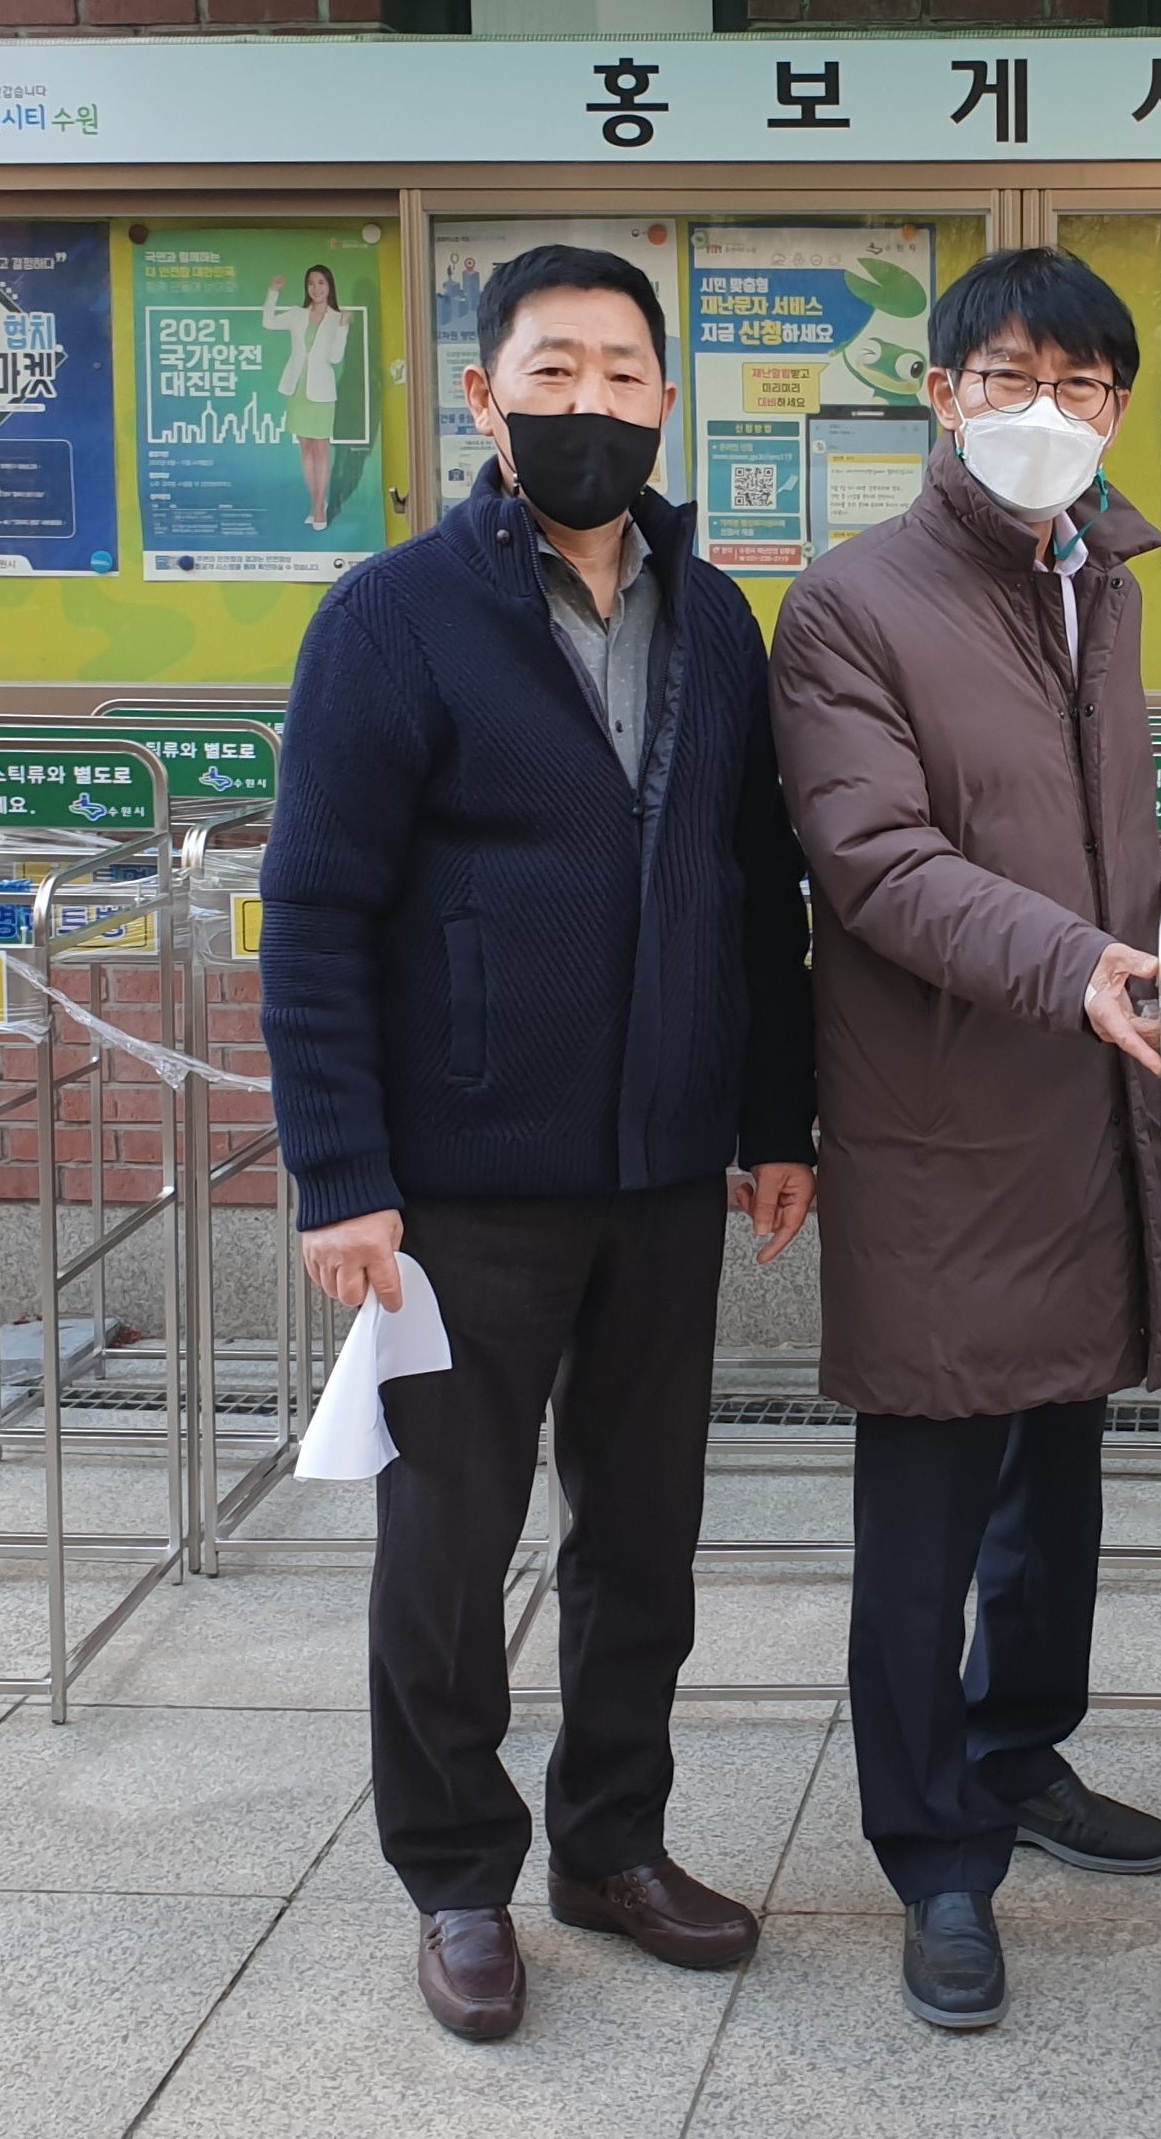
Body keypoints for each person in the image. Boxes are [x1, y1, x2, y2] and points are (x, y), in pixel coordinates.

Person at [262, 243, 819, 2044]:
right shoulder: (392, 615)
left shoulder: (716, 616)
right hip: (460, 1186)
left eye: (621, 375)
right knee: (446, 1547)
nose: (590, 405)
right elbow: (321, 908)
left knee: (641, 1536)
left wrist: (771, 1120)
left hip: (659, 1172)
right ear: (486, 395)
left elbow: (757, 894)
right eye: (552, 369)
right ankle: (453, 1872)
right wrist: (340, 1171)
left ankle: (611, 1842)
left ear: (667, 403)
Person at [768, 245, 1161, 2035]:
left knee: (1059, 1485)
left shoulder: (1106, 580)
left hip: (1087, 1096)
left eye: (1084, 386)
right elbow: (871, 861)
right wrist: (1080, 957)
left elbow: (1104, 837)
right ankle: (934, 1850)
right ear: (938, 395)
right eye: (1007, 375)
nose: (1045, 413)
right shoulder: (851, 603)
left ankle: (1021, 1752)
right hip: (941, 1106)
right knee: (929, 1500)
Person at [262, 265, 350, 531]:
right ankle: (315, 503)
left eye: (321, 283)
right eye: (311, 283)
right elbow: (268, 322)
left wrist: (344, 328)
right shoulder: (297, 315)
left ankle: (318, 505)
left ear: (329, 286)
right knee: (306, 447)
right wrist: (272, 293)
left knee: (321, 448)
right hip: (298, 389)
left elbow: (335, 358)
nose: (316, 288)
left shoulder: (337, 318)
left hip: (322, 391)